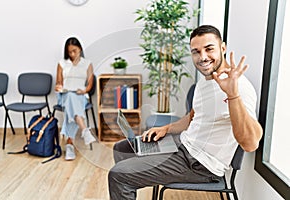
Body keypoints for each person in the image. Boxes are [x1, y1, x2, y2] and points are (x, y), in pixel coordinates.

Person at [108, 25, 263, 199]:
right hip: (183, 145)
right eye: (196, 51)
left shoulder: (239, 87)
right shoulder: (206, 80)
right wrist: (165, 128)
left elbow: (250, 144)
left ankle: (128, 180)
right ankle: (133, 181)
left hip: (200, 165)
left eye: (209, 49)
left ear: (223, 48)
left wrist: (233, 95)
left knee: (118, 175)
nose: (202, 57)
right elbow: (193, 117)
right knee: (122, 148)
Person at [55, 37, 96, 161]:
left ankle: (69, 145)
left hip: (80, 95)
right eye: (70, 52)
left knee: (72, 104)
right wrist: (59, 87)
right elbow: (59, 82)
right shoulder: (62, 63)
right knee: (70, 97)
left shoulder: (87, 63)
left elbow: (89, 84)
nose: (72, 54)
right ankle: (84, 130)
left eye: (75, 51)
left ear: (80, 49)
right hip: (65, 95)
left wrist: (84, 90)